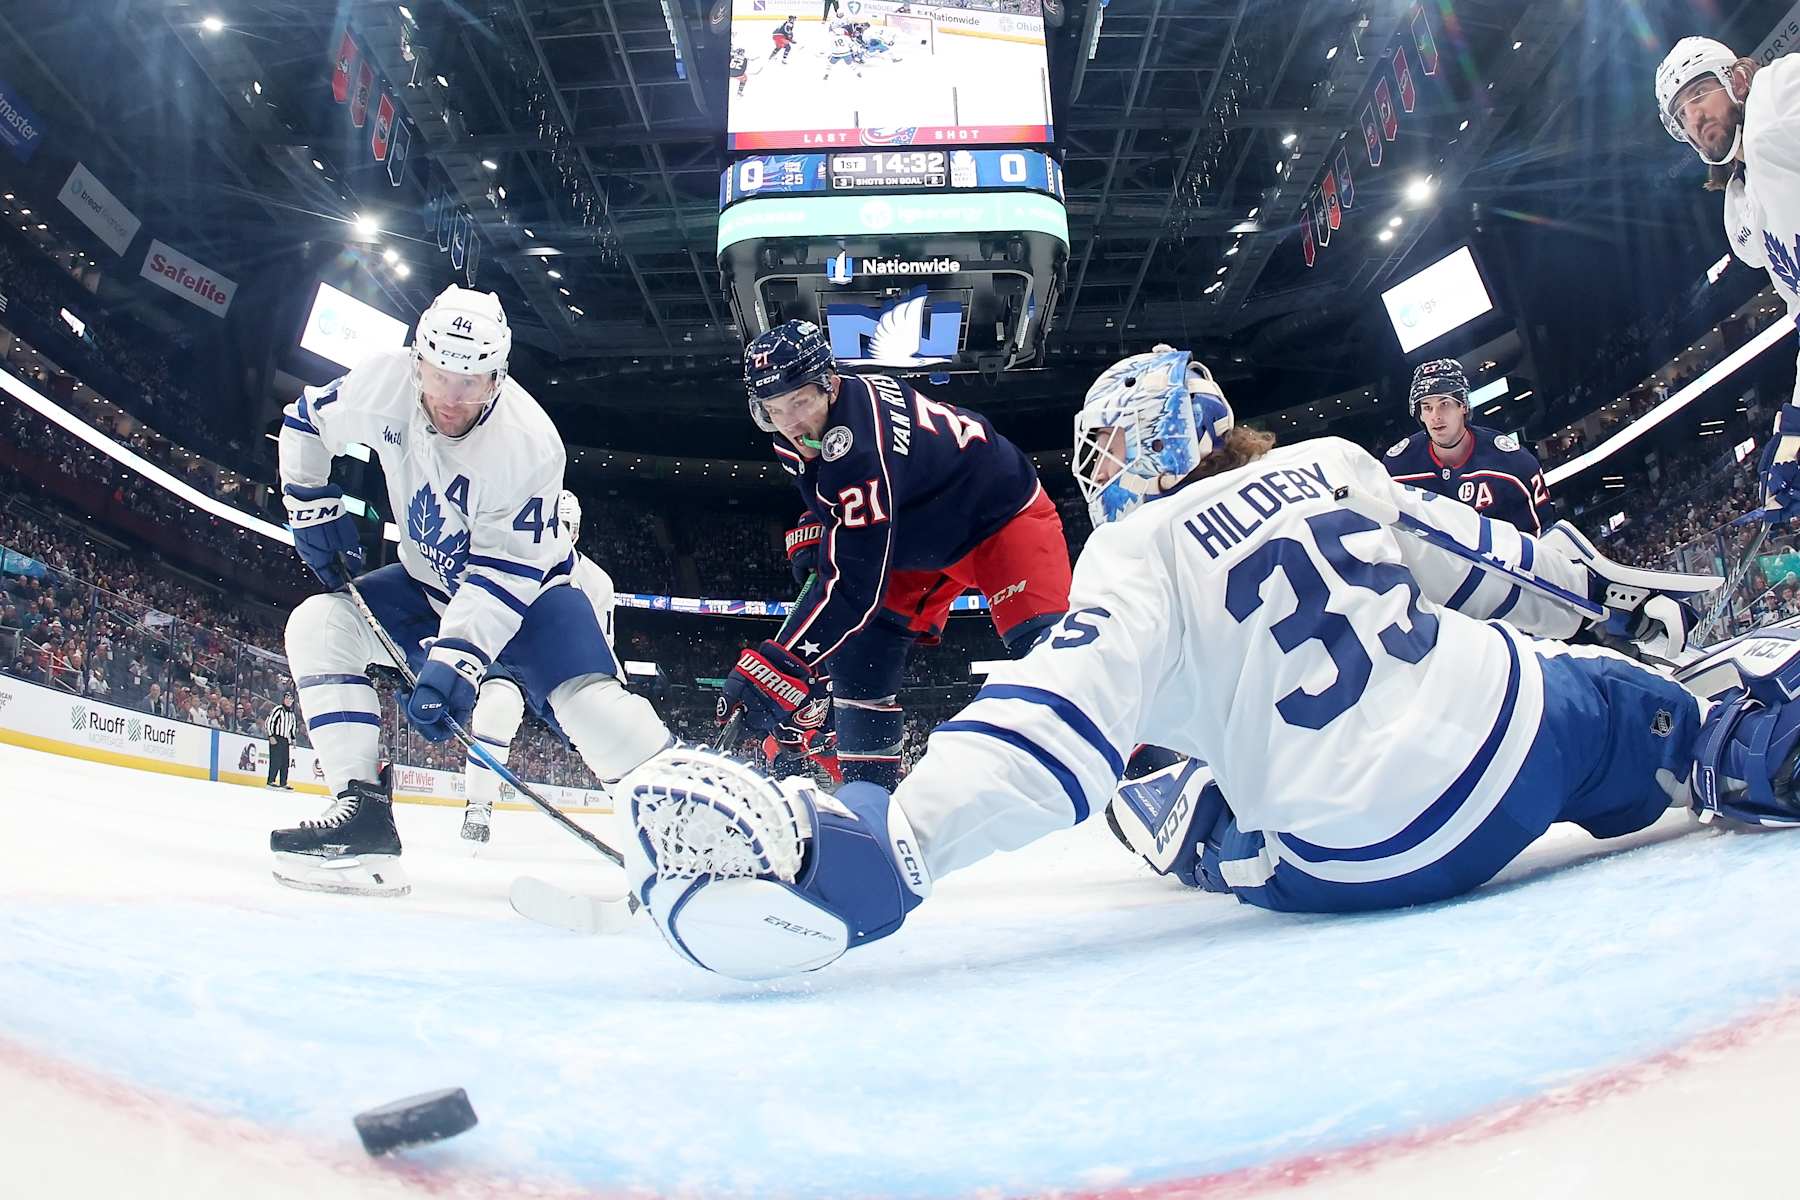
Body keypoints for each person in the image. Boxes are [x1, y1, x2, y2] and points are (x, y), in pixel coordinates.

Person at [613, 344, 1782, 982]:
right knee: (1635, 711)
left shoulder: (1132, 544)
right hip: (1517, 734)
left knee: (1192, 810)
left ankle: (1195, 827)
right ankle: (1741, 740)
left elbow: (1045, 727)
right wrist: (1615, 617)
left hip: (1362, 853)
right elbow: (1499, 568)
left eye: (1105, 448)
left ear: (1144, 446)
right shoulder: (1333, 461)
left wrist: (891, 848)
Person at [270, 284, 669, 897]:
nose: (451, 398)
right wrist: (308, 501)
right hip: (427, 585)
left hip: (532, 601)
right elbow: (303, 422)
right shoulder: (383, 384)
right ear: (416, 360)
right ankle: (362, 816)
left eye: (471, 381)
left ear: (498, 377)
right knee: (317, 626)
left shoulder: (528, 443)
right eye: (438, 375)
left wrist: (455, 659)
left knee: (596, 713)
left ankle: (689, 828)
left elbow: (503, 574)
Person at [720, 318, 1070, 791]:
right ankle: (872, 804)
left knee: (1056, 660)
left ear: (829, 383)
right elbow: (851, 510)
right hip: (913, 538)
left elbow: (854, 584)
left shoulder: (859, 447)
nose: (791, 423)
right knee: (859, 663)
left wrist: (785, 661)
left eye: (799, 401)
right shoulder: (814, 429)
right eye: (773, 409)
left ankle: (1153, 764)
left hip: (998, 520)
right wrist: (823, 527)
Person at [1656, 37, 1800, 518]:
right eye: (1681, 114)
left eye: (1698, 94)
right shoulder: (1742, 210)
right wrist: (1795, 428)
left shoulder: (1777, 94)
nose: (1693, 117)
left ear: (1736, 80)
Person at [457, 490, 623, 846]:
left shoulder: (596, 582)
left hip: (564, 669)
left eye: (564, 527)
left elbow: (603, 645)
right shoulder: (509, 564)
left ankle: (633, 813)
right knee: (498, 703)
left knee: (601, 731)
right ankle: (479, 803)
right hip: (512, 660)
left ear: (575, 531)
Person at [1382, 358, 1550, 533]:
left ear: (1463, 406)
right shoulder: (1397, 468)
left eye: (1444, 404)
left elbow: (1541, 534)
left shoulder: (1512, 463)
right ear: (1420, 415)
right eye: (1427, 408)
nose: (1435, 416)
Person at [264, 690, 297, 790]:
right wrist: (271, 736)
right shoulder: (278, 709)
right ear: (284, 699)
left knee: (285, 762)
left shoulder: (291, 714)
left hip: (285, 740)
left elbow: (292, 728)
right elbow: (269, 722)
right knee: (275, 760)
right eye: (287, 698)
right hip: (276, 738)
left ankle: (283, 782)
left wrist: (293, 739)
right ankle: (270, 781)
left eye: (291, 699)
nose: (289, 700)